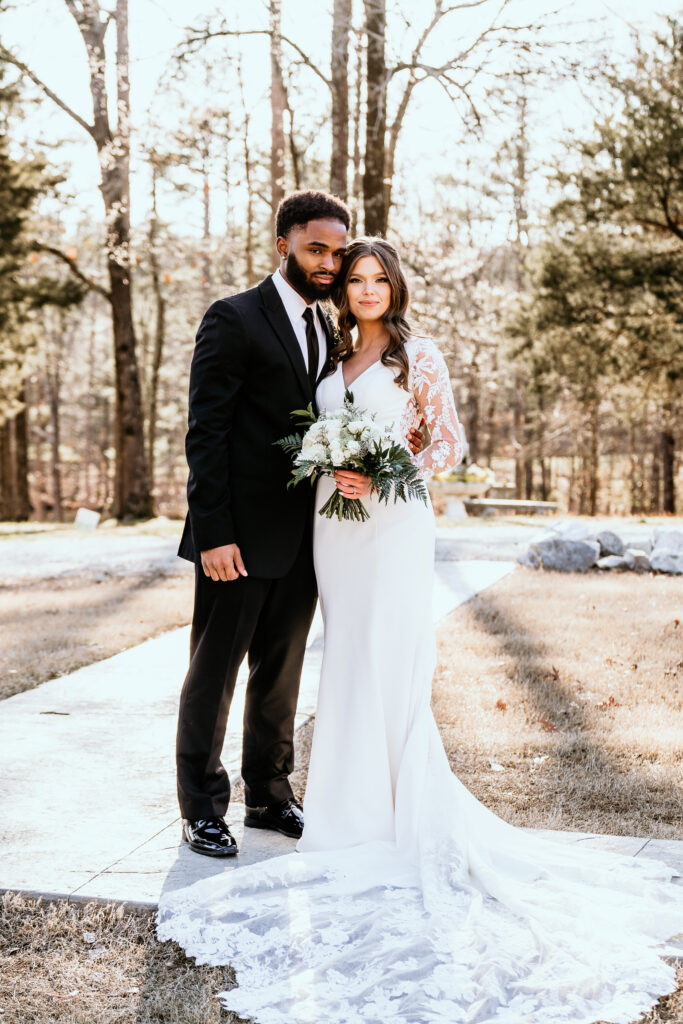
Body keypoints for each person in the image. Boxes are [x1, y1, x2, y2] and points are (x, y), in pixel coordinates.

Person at [159, 238, 683, 1024]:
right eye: (355, 278)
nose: (365, 288)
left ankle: (396, 811)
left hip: (392, 525)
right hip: (333, 536)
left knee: (390, 660)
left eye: (377, 278)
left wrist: (383, 468)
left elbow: (446, 445)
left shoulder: (418, 355)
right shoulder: (330, 354)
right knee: (343, 667)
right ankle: (341, 808)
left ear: (394, 287)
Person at [175, 191, 424, 858]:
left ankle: (270, 795)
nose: (328, 262)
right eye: (315, 248)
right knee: (215, 671)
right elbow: (206, 432)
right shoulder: (233, 318)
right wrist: (214, 533)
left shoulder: (330, 331)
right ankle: (201, 807)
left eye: (336, 252)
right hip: (237, 538)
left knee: (280, 673)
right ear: (282, 244)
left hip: (311, 537)